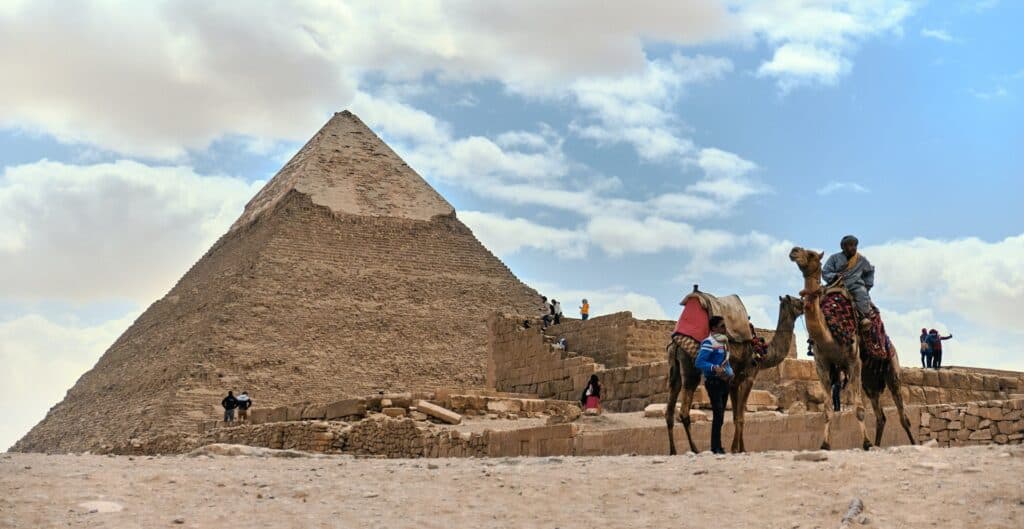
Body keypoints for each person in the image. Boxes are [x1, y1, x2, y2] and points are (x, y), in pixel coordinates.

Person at [696, 316, 734, 455]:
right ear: (713, 328)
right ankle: (715, 448)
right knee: (718, 414)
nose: (725, 329)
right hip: (713, 382)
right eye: (722, 326)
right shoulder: (708, 342)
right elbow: (699, 362)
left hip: (724, 382)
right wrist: (713, 368)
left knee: (721, 415)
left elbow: (726, 362)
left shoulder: (723, 343)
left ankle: (718, 446)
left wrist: (730, 373)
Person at [822, 235, 875, 331]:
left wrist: (867, 285)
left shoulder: (861, 260)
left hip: (855, 285)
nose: (853, 247)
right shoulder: (834, 258)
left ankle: (863, 317)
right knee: (821, 297)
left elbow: (870, 271)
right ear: (843, 247)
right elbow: (825, 271)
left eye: (855, 245)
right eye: (850, 245)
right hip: (836, 285)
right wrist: (834, 276)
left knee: (862, 292)